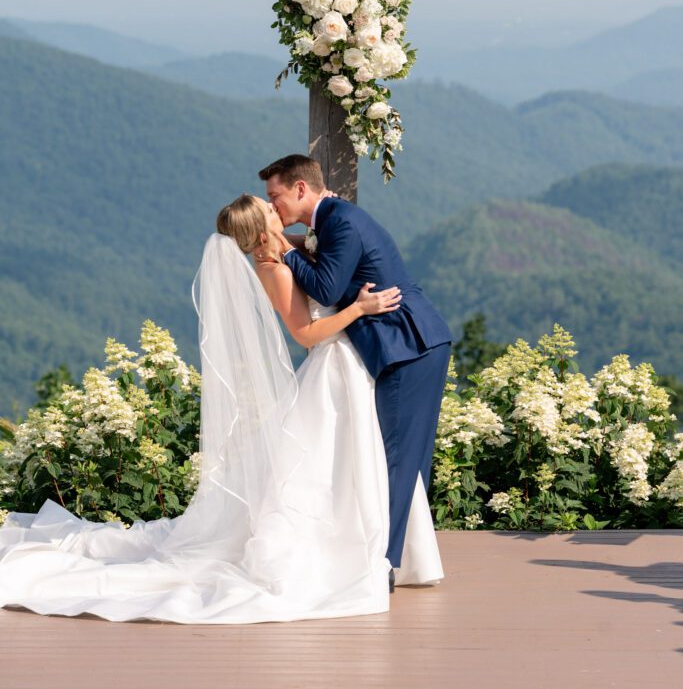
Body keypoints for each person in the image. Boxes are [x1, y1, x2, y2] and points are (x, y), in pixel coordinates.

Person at [0, 193, 440, 624]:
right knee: (330, 467)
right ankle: (350, 553)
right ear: (262, 227)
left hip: (349, 368)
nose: (277, 208)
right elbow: (307, 334)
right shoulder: (272, 269)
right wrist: (359, 309)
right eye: (270, 208)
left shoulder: (287, 250)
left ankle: (380, 549)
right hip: (332, 369)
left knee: (352, 465)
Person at [259, 154, 453, 586]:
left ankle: (381, 565)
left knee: (399, 459)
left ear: (300, 189)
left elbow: (326, 287)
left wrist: (284, 253)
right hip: (409, 343)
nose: (274, 209)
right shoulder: (331, 220)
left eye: (276, 197)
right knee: (405, 458)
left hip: (408, 346)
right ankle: (401, 560)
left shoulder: (340, 222)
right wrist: (290, 244)